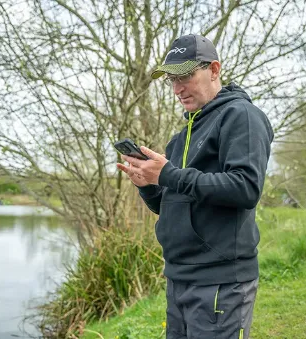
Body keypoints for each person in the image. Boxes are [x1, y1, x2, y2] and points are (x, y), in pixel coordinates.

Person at [117, 34, 273, 339]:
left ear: (214, 70)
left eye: (186, 76)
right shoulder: (181, 136)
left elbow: (245, 188)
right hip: (179, 279)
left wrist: (169, 175)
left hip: (221, 282)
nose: (177, 89)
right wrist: (149, 185)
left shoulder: (241, 117)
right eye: (172, 80)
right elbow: (171, 204)